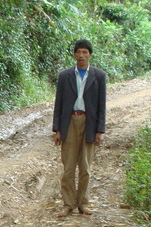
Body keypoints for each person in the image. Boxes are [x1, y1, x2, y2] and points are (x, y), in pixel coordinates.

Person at [52, 39, 106, 217]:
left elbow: (101, 106)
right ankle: (68, 204)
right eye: (79, 52)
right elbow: (58, 104)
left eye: (85, 52)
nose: (81, 56)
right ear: (74, 54)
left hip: (89, 124)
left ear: (90, 55)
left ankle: (83, 203)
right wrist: (57, 129)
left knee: (85, 167)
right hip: (69, 122)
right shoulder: (65, 76)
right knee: (68, 167)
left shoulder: (98, 76)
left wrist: (99, 131)